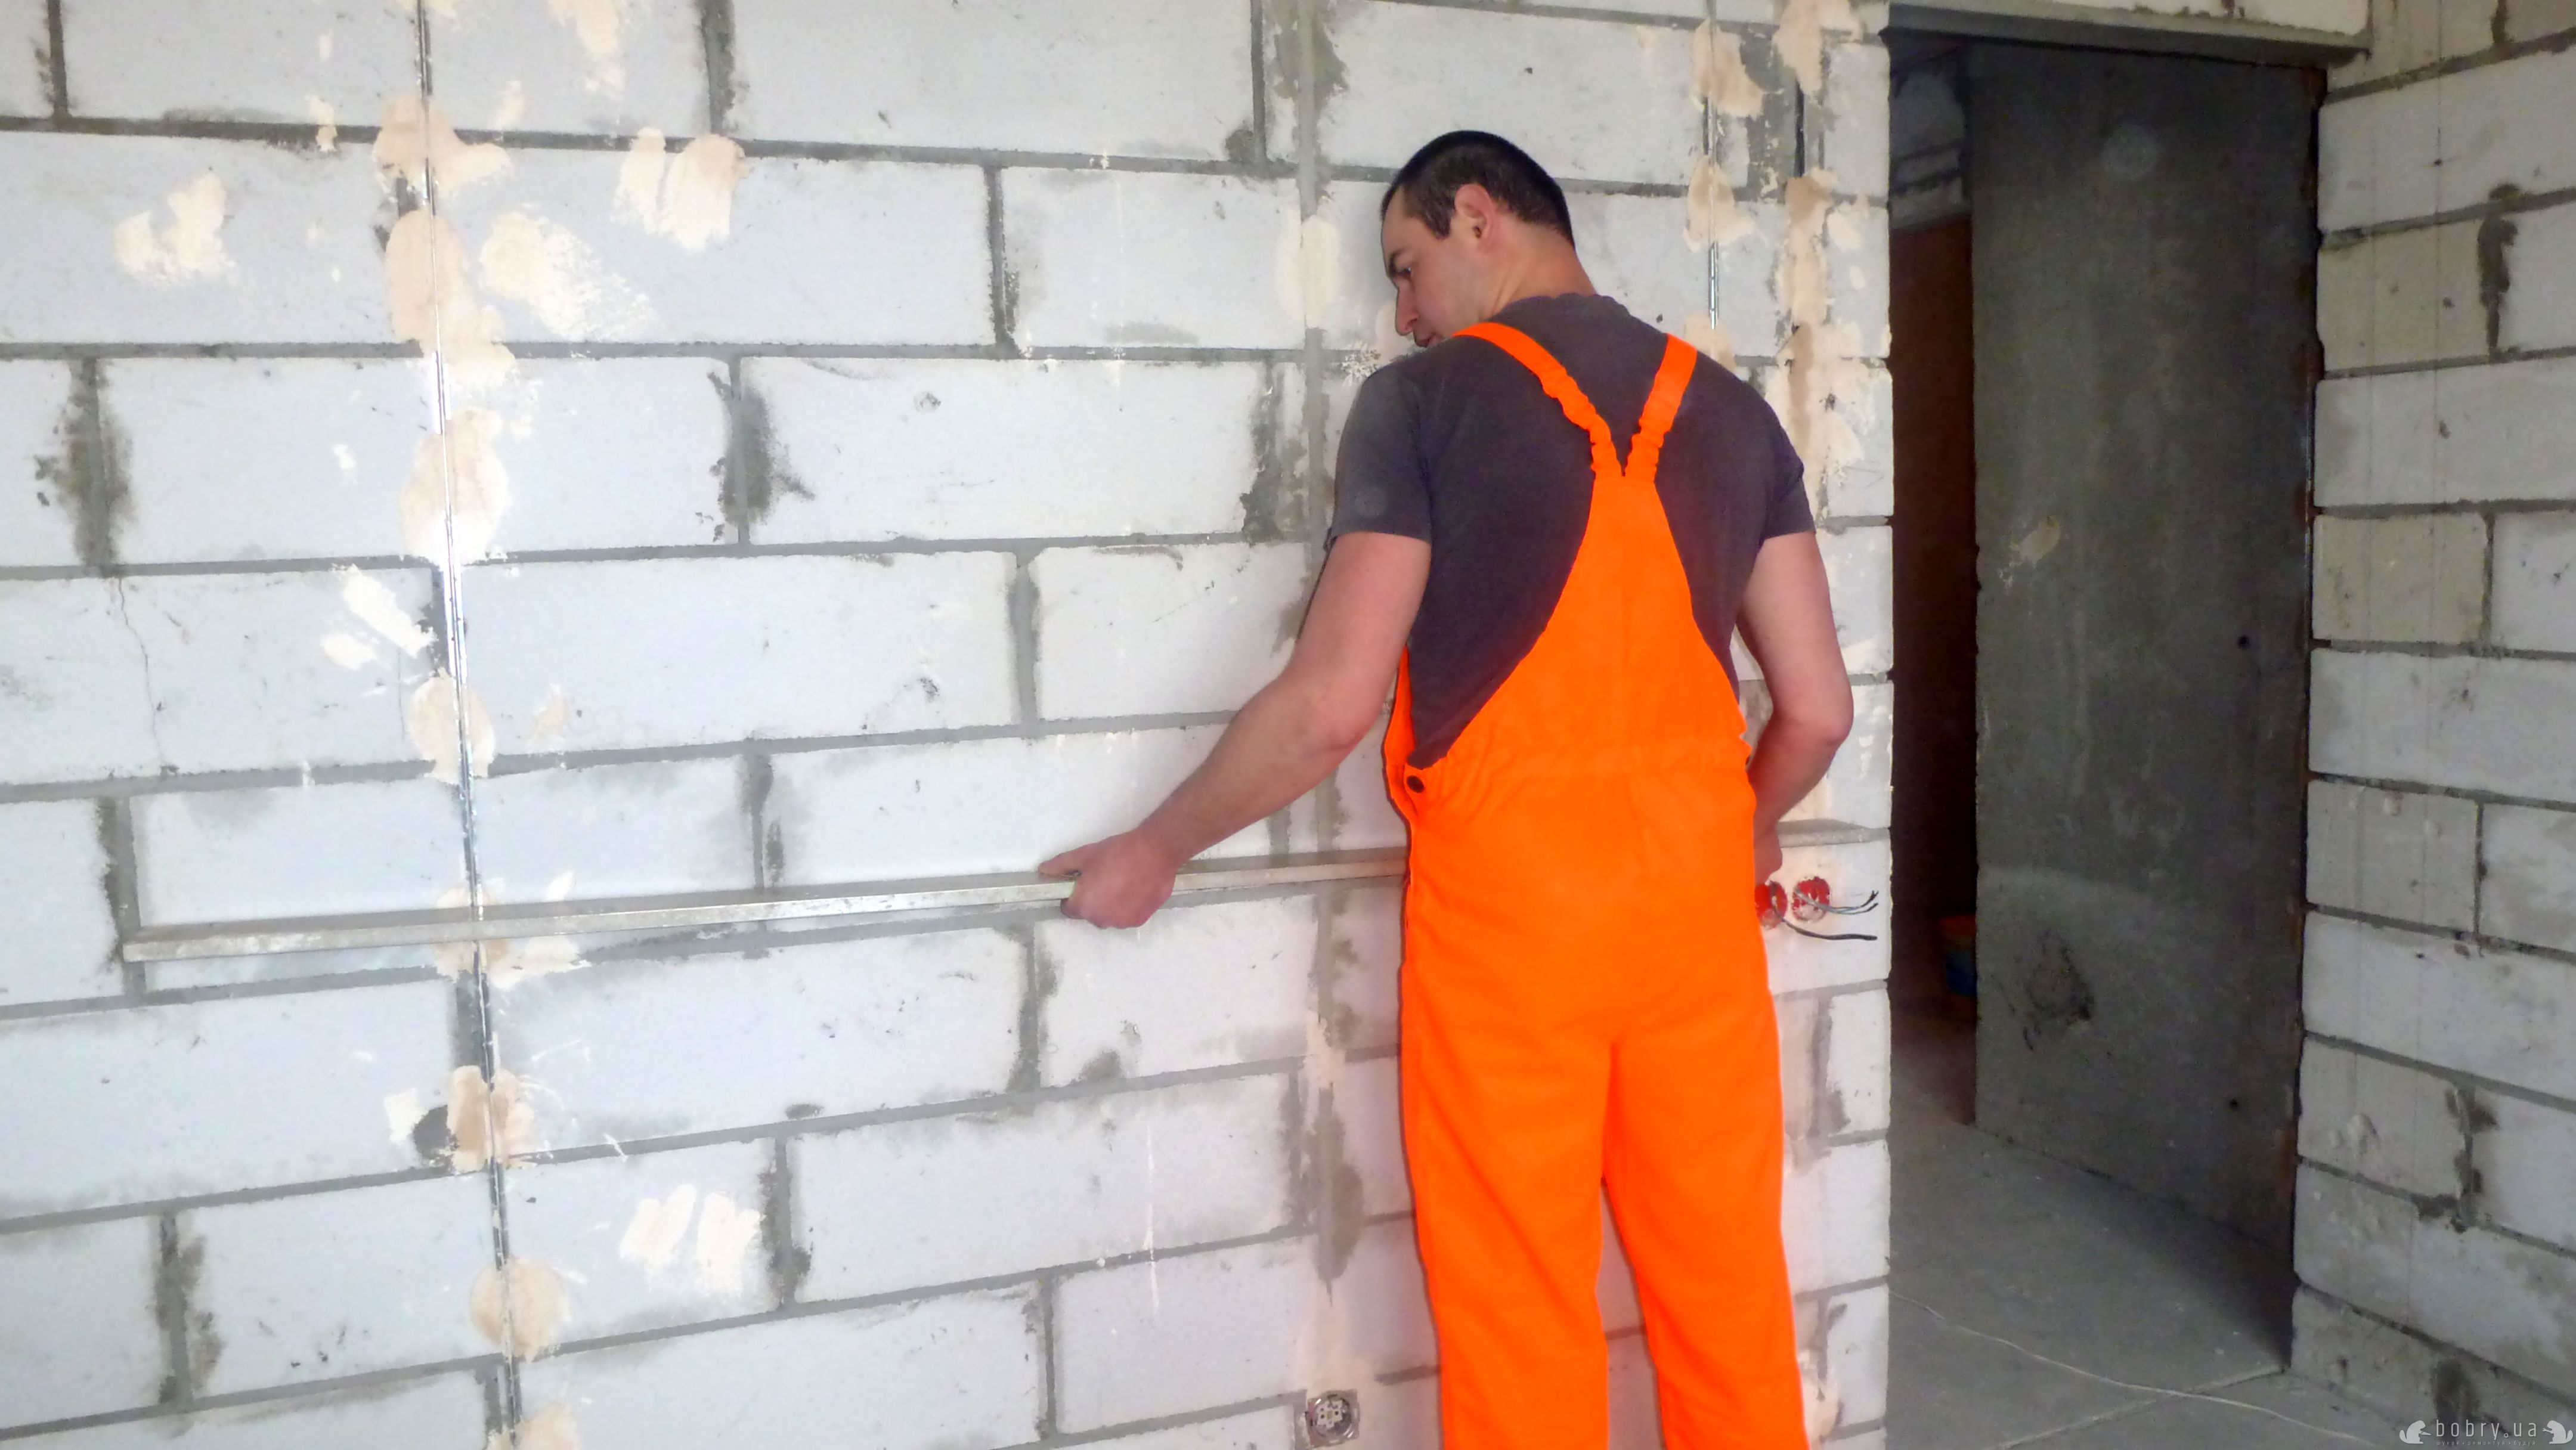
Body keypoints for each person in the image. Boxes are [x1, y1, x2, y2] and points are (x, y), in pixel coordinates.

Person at [1041, 131, 1853, 1450]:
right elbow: (1817, 712)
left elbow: (1329, 706)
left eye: (1406, 268)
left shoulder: (1421, 405)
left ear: (1478, 214)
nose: (1405, 314)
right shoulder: (1732, 410)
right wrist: (1733, 834)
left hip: (1517, 933)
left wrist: (1158, 844)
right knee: (1728, 1299)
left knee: (1519, 1316)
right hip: (1696, 928)